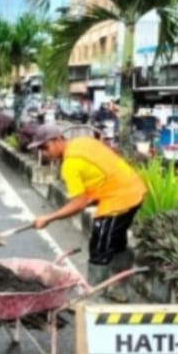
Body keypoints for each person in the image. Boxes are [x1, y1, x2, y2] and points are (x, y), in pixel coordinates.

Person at [28, 124, 147, 302]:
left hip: (119, 199)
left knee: (100, 248)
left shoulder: (70, 164)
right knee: (116, 243)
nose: (44, 153)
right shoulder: (83, 142)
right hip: (133, 189)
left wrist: (48, 218)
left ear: (58, 140)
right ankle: (118, 289)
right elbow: (103, 169)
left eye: (45, 147)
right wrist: (94, 195)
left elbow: (78, 204)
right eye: (40, 149)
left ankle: (94, 300)